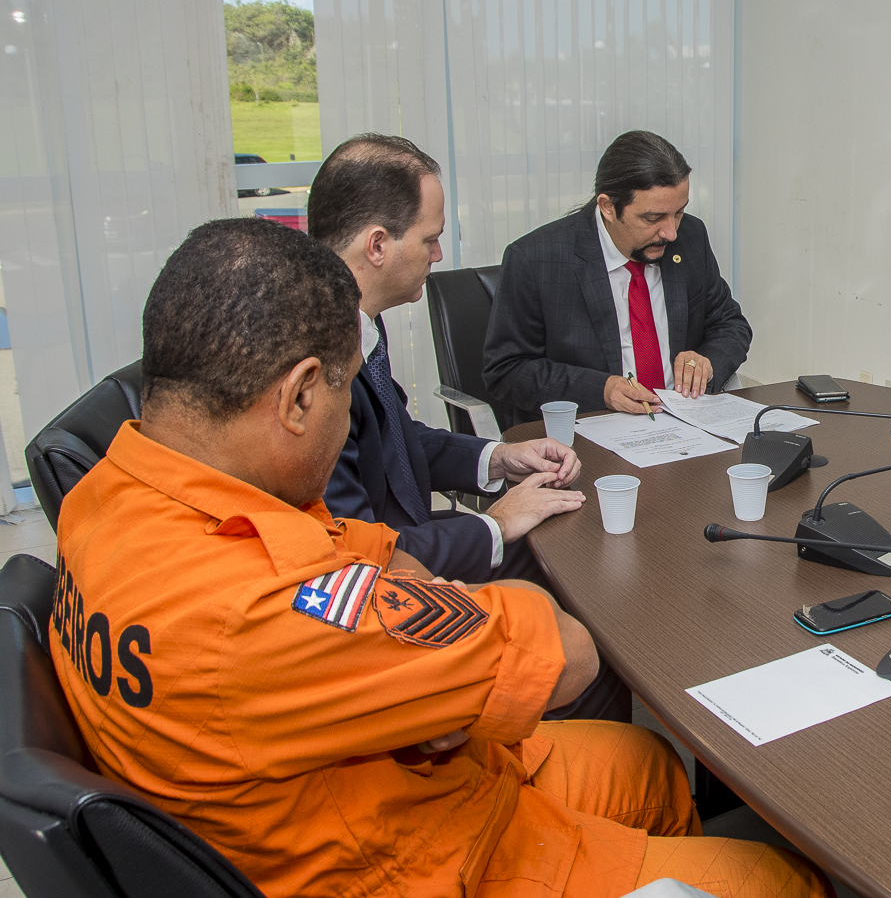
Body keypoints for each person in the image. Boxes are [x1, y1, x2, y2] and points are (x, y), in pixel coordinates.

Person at [49, 217, 831, 898]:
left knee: (651, 767)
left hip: (353, 777)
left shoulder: (101, 495)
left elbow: (369, 554)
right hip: (423, 860)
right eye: (346, 393)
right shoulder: (264, 608)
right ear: (297, 397)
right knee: (786, 879)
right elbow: (565, 651)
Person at [309, 133, 629, 723]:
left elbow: (398, 442)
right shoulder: (318, 368)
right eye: (430, 239)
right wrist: (493, 524)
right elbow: (353, 555)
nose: (438, 255)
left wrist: (497, 459)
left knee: (569, 565)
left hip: (410, 537)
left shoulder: (355, 326)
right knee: (582, 620)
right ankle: (571, 761)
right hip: (386, 584)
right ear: (377, 245)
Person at [484, 130, 753, 424]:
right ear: (608, 207)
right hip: (593, 428)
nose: (670, 232)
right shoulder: (537, 260)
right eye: (653, 218)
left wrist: (707, 362)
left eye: (678, 213)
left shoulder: (690, 237)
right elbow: (507, 371)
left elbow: (730, 325)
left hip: (682, 422)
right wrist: (600, 389)